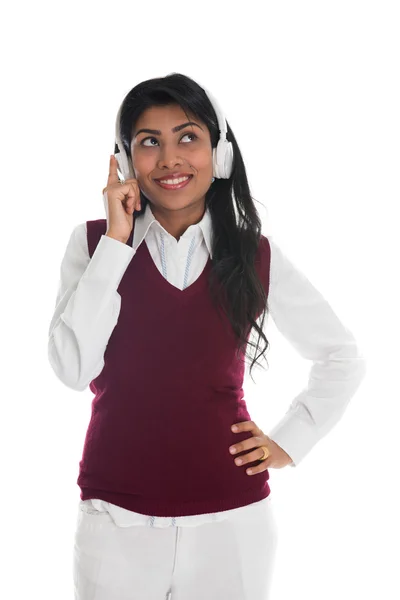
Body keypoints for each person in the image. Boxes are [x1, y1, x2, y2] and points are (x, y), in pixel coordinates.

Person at [48, 72, 367, 600]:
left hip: (233, 525)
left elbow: (341, 356)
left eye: (188, 137)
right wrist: (117, 241)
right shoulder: (93, 245)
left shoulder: (254, 255)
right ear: (126, 162)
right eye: (149, 142)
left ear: (218, 155)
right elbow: (71, 369)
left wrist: (289, 440)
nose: (170, 158)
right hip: (115, 524)